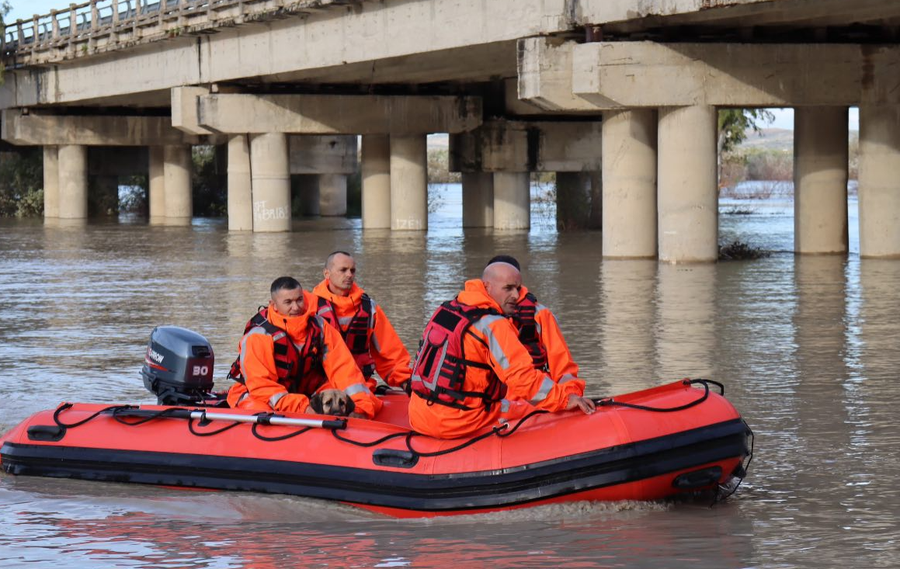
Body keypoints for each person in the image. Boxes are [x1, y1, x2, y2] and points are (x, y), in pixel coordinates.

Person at [408, 262, 595, 439]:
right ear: (487, 287)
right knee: (531, 407)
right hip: (458, 421)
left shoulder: (446, 310)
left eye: (518, 288)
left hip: (419, 414)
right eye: (508, 288)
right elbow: (522, 378)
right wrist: (564, 400)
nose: (516, 295)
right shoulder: (494, 324)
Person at [226, 276, 383, 419]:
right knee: (260, 411)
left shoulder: (320, 327)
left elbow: (345, 371)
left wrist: (359, 408)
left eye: (299, 300)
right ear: (273, 305)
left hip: (303, 392)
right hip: (260, 394)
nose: (296, 307)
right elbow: (262, 387)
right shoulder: (259, 336)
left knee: (361, 396)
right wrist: (304, 408)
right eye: (288, 302)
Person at [312, 251, 411, 392]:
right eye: (343, 270)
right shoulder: (310, 307)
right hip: (322, 388)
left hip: (360, 385)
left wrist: (406, 382)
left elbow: (390, 353)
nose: (349, 275)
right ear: (326, 274)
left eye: (352, 270)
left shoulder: (369, 308)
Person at [485, 255, 580, 385]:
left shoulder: (540, 314)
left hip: (529, 393)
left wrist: (570, 397)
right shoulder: (476, 316)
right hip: (501, 396)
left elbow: (562, 366)